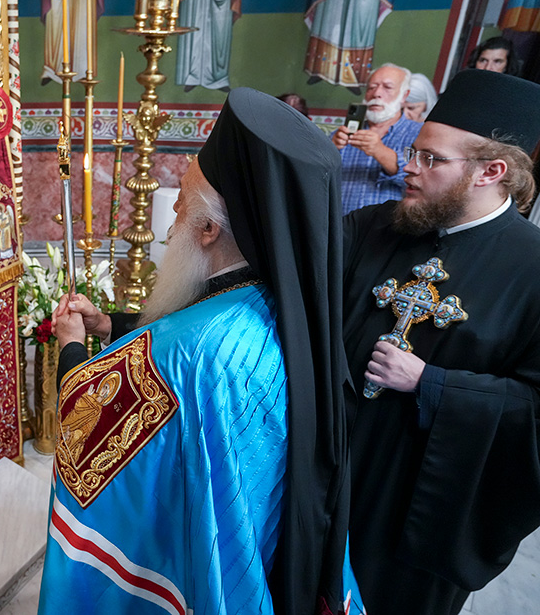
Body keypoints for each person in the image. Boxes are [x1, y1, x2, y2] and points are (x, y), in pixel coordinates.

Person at [38, 89, 356, 615]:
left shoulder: (193, 351)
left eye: (181, 203)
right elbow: (185, 321)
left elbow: (82, 423)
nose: (170, 222)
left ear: (209, 230)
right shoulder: (282, 300)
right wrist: (110, 323)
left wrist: (72, 343)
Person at [343, 69, 540, 615]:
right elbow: (283, 295)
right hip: (325, 483)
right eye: (416, 153)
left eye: (431, 159)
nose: (408, 167)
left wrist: (433, 383)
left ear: (491, 172)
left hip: (418, 519)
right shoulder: (373, 227)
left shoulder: (534, 270)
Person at [332, 63, 423, 214]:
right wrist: (329, 149)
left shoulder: (419, 133)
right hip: (338, 227)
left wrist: (379, 151)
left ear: (404, 96)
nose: (377, 94)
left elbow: (424, 181)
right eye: (371, 87)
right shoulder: (342, 133)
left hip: (387, 232)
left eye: (387, 87)